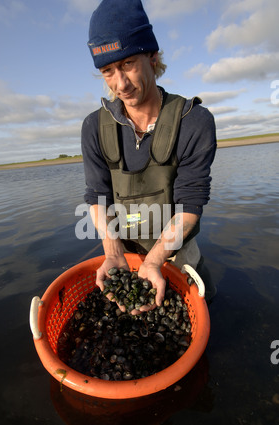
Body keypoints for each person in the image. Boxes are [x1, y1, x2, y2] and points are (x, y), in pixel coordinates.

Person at [82, 0, 217, 313]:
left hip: (176, 254)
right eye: (107, 71)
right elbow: (97, 196)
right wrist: (113, 251)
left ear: (153, 56)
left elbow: (190, 203)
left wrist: (155, 261)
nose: (121, 84)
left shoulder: (194, 122)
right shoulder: (93, 127)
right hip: (123, 256)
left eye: (128, 63)